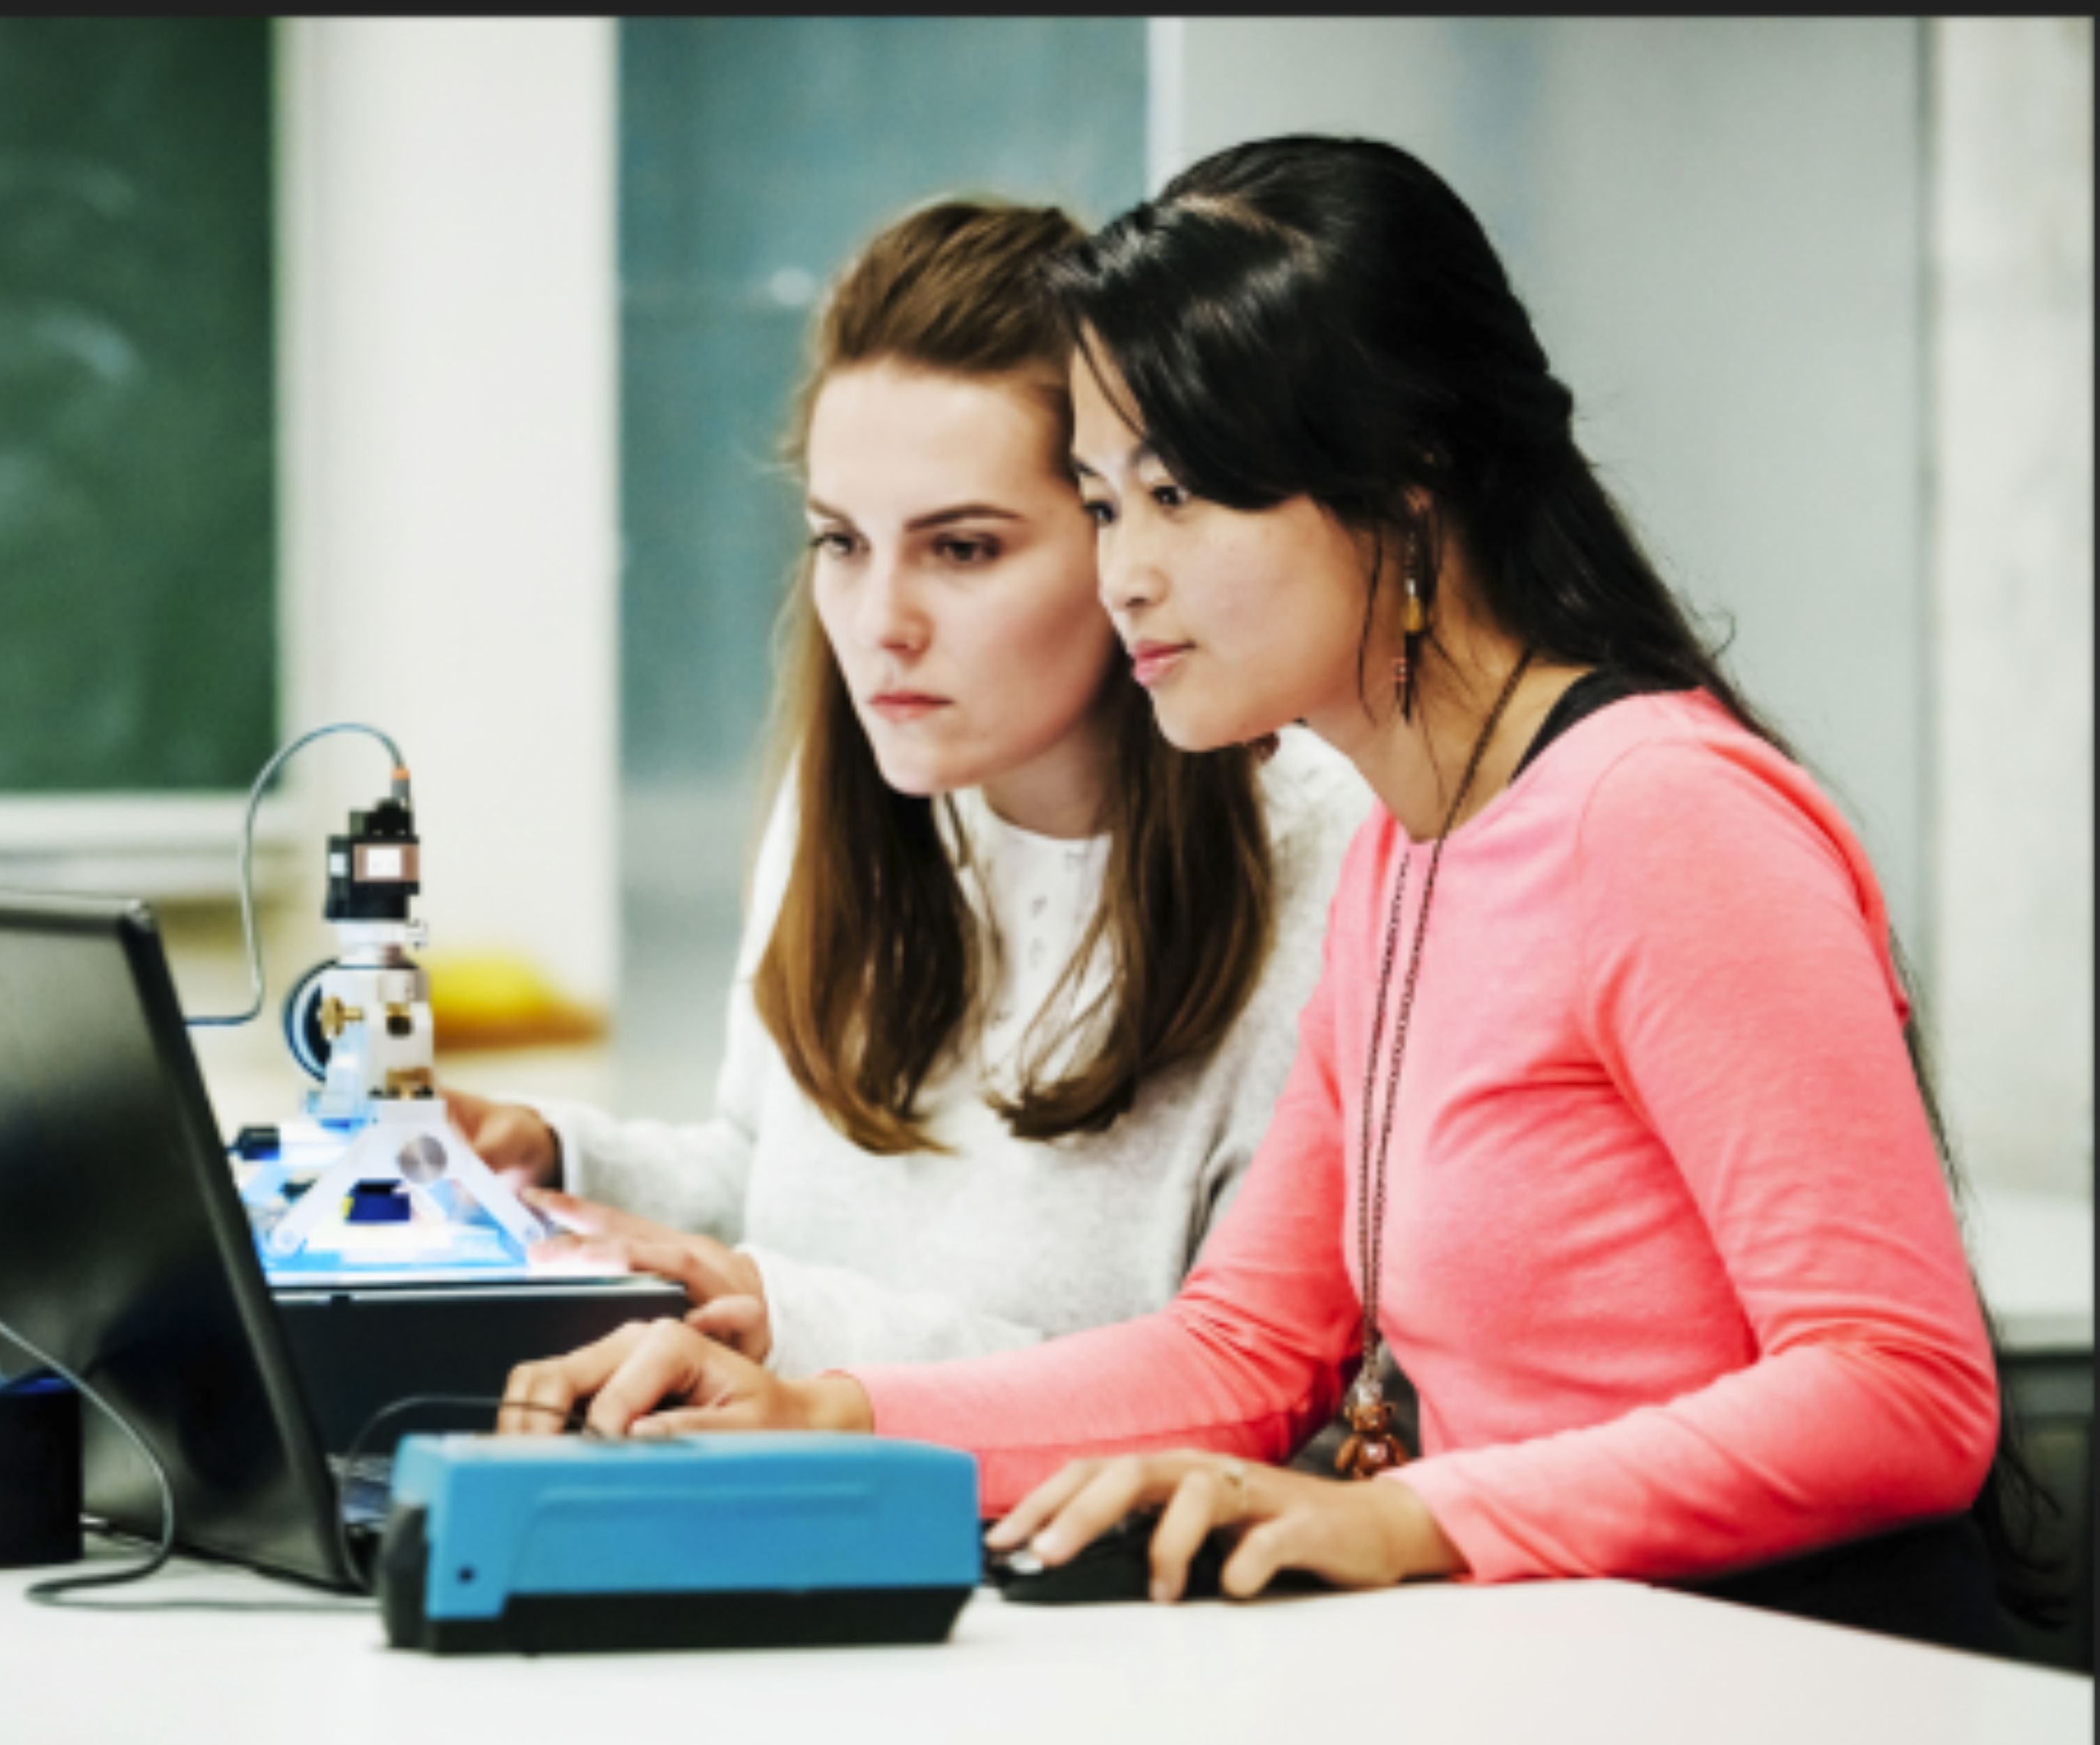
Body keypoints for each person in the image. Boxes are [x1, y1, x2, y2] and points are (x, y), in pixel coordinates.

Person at [498, 137, 2053, 1656]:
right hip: (1572, 1671)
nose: (1126, 581)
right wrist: (824, 1415)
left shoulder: (1661, 816)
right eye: (1105, 507)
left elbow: (1902, 1388)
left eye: (1179, 499)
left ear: (1404, 490)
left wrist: (1418, 1520)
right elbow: (1246, 1351)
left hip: (1793, 1681)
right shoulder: (1409, 847)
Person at [446, 198, 1370, 1377]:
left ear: (1118, 537)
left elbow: (1230, 1389)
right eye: (842, 542)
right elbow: (768, 1176)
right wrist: (556, 1159)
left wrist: (789, 1320)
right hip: (803, 1491)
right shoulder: (862, 792)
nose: (881, 624)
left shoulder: (1334, 868)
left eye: (963, 548)